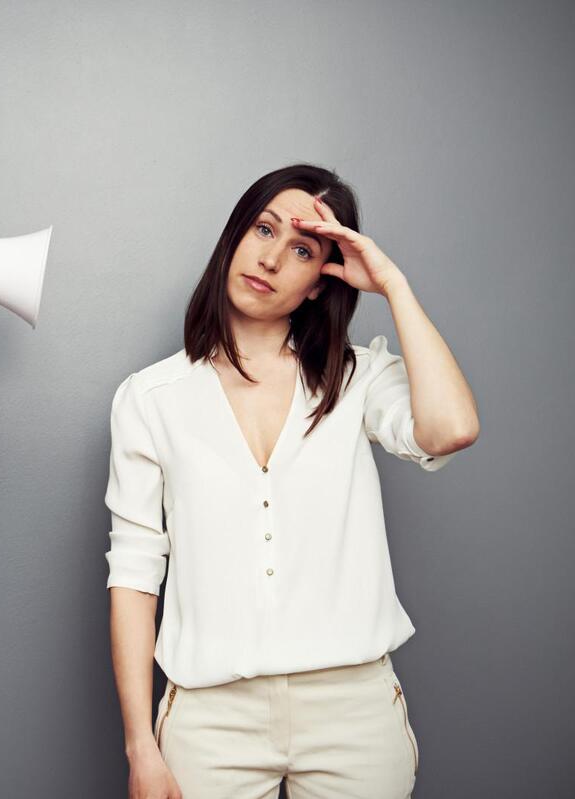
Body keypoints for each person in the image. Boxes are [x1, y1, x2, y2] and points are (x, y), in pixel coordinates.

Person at [106, 164, 479, 799]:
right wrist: (141, 746)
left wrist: (392, 284)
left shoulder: (355, 378)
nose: (272, 258)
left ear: (319, 283)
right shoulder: (151, 397)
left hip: (353, 711)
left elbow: (450, 429)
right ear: (234, 237)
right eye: (262, 229)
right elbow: (136, 576)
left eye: (302, 249)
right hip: (210, 717)